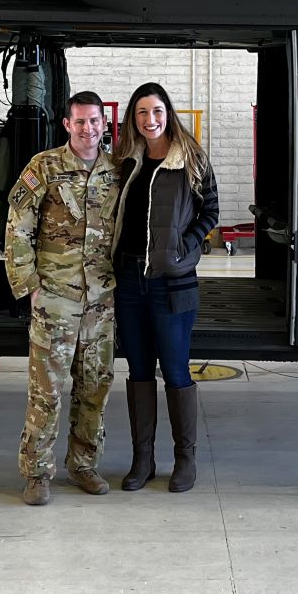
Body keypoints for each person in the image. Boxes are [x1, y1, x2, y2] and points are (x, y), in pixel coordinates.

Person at [4, 91, 125, 506]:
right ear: (67, 124)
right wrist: (29, 285)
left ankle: (84, 466)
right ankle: (36, 473)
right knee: (47, 390)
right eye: (80, 122)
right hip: (56, 297)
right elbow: (18, 225)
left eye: (94, 121)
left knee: (95, 387)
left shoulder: (117, 170)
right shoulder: (45, 166)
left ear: (104, 124)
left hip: (101, 299)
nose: (88, 129)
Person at [111, 82, 220, 493]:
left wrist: (183, 247)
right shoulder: (126, 161)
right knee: (138, 370)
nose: (150, 119)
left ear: (167, 113)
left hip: (173, 283)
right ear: (133, 119)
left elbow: (210, 211)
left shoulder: (190, 158)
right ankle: (143, 460)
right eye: (142, 112)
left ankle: (185, 460)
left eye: (156, 111)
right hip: (129, 281)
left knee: (175, 370)